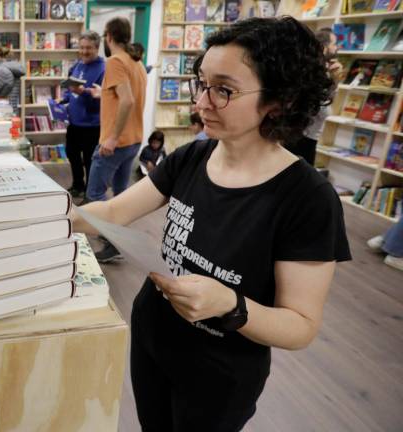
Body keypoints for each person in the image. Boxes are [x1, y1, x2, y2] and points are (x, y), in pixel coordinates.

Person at [72, 17, 350, 431]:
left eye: (223, 90)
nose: (201, 103)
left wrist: (231, 305)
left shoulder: (307, 199)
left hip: (219, 370)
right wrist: (42, 217)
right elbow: (112, 213)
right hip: (152, 336)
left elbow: (301, 326)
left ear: (280, 100)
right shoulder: (192, 157)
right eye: (201, 83)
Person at [84, 17, 147, 263]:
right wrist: (103, 94)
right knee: (121, 196)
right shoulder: (136, 62)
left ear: (108, 36)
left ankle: (112, 242)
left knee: (95, 194)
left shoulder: (115, 61)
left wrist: (111, 138)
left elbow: (128, 100)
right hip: (134, 140)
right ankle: (121, 237)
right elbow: (126, 96)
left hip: (117, 143)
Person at [57, 30, 105, 198]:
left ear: (97, 48)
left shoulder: (103, 68)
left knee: (90, 162)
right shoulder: (78, 65)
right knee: (72, 154)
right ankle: (78, 185)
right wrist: (63, 100)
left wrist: (83, 91)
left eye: (88, 48)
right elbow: (71, 90)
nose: (84, 51)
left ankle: (90, 194)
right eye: (82, 47)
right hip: (74, 122)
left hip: (93, 124)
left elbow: (102, 98)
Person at [288, 27, 341, 166]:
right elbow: (321, 105)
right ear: (324, 47)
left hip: (306, 140)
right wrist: (334, 81)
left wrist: (334, 79)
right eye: (333, 44)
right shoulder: (312, 74)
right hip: (300, 141)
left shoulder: (322, 71)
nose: (336, 48)